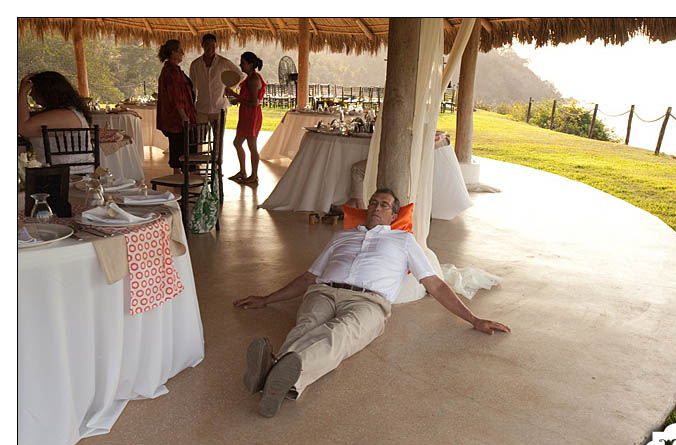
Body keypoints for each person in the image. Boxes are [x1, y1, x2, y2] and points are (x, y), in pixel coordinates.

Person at [234, 189, 511, 417]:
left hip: (369, 302)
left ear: (393, 215)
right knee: (306, 326)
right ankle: (279, 382)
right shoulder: (342, 237)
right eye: (374, 203)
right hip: (323, 292)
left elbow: (435, 284)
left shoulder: (403, 240)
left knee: (338, 334)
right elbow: (308, 277)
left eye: (385, 205)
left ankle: (273, 374)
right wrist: (266, 299)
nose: (377, 207)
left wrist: (474, 319)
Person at [17, 71, 95, 174]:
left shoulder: (65, 115)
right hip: (65, 172)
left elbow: (23, 128)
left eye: (33, 90)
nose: (31, 94)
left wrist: (22, 93)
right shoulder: (67, 112)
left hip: (68, 175)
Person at [224, 51, 266, 185]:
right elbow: (249, 99)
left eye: (243, 63)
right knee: (237, 143)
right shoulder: (250, 78)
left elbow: (254, 103)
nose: (240, 65)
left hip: (251, 116)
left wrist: (234, 95)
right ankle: (243, 171)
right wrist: (239, 100)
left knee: (252, 146)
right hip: (246, 115)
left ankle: (254, 175)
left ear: (250, 64)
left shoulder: (253, 80)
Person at [157, 39, 196, 174]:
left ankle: (180, 177)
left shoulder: (173, 70)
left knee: (178, 147)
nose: (182, 53)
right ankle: (181, 179)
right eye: (180, 51)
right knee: (180, 148)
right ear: (173, 53)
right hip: (177, 119)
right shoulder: (171, 72)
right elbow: (176, 97)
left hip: (177, 117)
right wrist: (184, 116)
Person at [189, 33, 242, 127]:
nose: (210, 48)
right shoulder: (195, 64)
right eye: (207, 45)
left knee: (218, 140)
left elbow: (240, 75)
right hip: (201, 108)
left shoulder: (223, 62)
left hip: (219, 107)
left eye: (212, 45)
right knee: (199, 139)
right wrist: (191, 106)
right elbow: (193, 87)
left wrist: (229, 86)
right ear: (202, 45)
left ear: (215, 46)